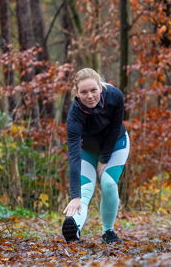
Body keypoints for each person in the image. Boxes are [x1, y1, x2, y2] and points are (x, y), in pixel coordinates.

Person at [61, 68, 130, 243]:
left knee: (108, 183)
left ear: (101, 87)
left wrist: (104, 159)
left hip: (116, 144)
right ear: (76, 94)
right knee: (84, 191)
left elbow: (115, 128)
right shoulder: (74, 116)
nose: (90, 96)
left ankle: (108, 232)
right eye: (83, 92)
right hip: (88, 150)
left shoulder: (115, 96)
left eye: (93, 90)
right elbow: (74, 156)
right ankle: (73, 229)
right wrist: (74, 196)